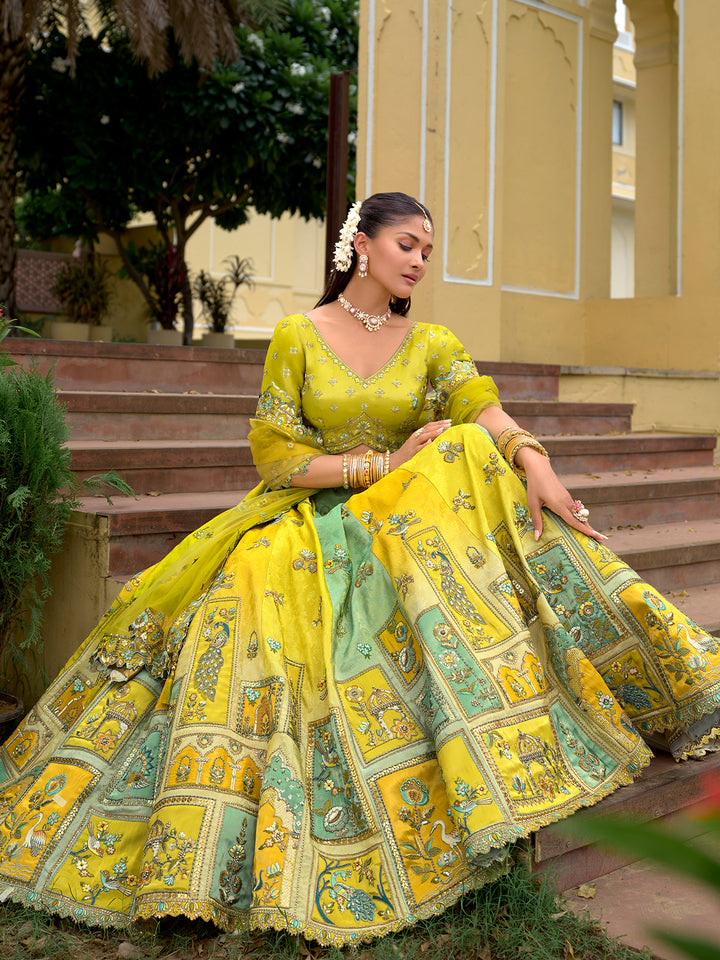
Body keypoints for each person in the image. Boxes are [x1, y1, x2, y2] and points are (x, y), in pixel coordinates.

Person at [0, 192, 717, 946]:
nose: (419, 262)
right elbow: (276, 454)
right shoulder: (298, 337)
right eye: (408, 245)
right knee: (251, 591)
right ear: (361, 245)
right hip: (313, 513)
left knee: (469, 450)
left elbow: (482, 408)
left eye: (428, 252)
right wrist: (378, 464)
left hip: (409, 519)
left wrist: (534, 460)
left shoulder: (433, 342)